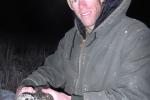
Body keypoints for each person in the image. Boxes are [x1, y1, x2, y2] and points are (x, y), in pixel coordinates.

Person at [16, 0, 150, 100]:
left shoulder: (136, 35)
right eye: (74, 0)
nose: (81, 5)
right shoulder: (70, 37)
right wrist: (29, 85)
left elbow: (137, 95)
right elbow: (53, 69)